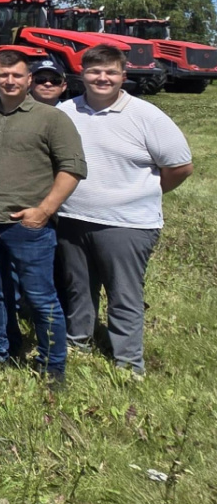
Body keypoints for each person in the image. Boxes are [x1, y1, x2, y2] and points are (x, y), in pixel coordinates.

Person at [56, 44, 194, 375]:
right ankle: (78, 343)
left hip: (126, 225)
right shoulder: (64, 112)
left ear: (123, 76)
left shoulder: (147, 116)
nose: (102, 78)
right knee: (77, 289)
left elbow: (180, 166)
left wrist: (139, 194)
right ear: (82, 74)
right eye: (94, 71)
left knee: (124, 295)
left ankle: (128, 363)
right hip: (71, 219)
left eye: (110, 72)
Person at [0, 51, 87, 382]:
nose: (9, 81)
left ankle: (52, 364)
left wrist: (43, 211)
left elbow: (72, 168)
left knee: (40, 296)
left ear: (29, 80)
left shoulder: (51, 118)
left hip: (27, 226)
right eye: (3, 75)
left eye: (16, 75)